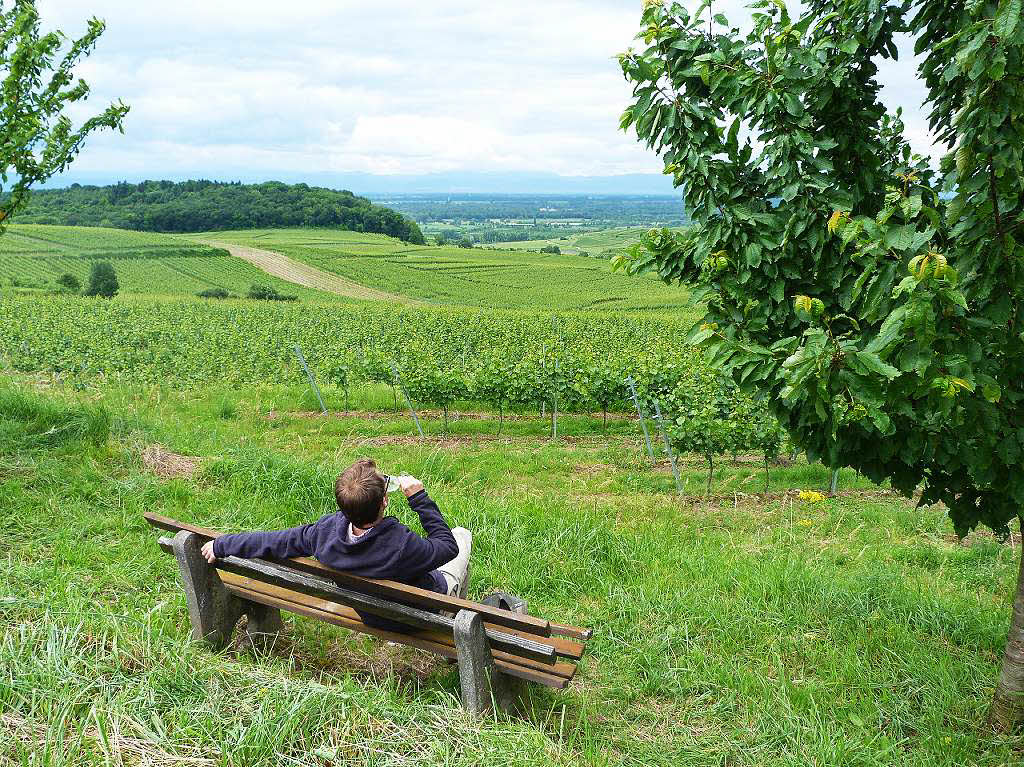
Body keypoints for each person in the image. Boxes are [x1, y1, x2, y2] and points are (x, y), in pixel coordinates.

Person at [200, 458, 472, 632]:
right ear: (384, 502)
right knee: (461, 535)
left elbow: (273, 541)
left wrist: (223, 544)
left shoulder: (323, 533)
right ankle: (452, 613)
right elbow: (447, 547)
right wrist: (420, 499)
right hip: (418, 616)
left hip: (372, 616)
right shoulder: (402, 545)